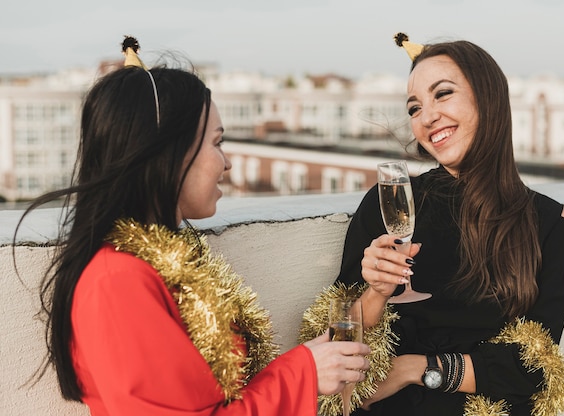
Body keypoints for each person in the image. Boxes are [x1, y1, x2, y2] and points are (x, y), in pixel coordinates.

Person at [16, 36, 371, 416]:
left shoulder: (157, 262)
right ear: (168, 152)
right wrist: (303, 373)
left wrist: (309, 364)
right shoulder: (117, 280)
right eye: (217, 143)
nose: (227, 163)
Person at [300, 33, 564, 415]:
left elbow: (536, 371)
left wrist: (414, 369)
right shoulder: (391, 205)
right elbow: (336, 346)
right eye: (414, 107)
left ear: (488, 97)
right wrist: (377, 292)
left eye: (442, 94)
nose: (427, 116)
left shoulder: (547, 223)